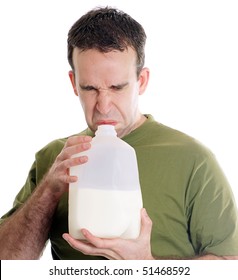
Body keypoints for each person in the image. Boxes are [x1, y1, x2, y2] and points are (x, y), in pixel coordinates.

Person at [0, 7, 237, 260]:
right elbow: (7, 263)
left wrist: (146, 266)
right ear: (73, 84)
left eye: (117, 87)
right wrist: (48, 192)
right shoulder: (55, 158)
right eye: (90, 88)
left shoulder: (192, 159)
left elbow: (230, 264)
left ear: (142, 81)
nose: (103, 106)